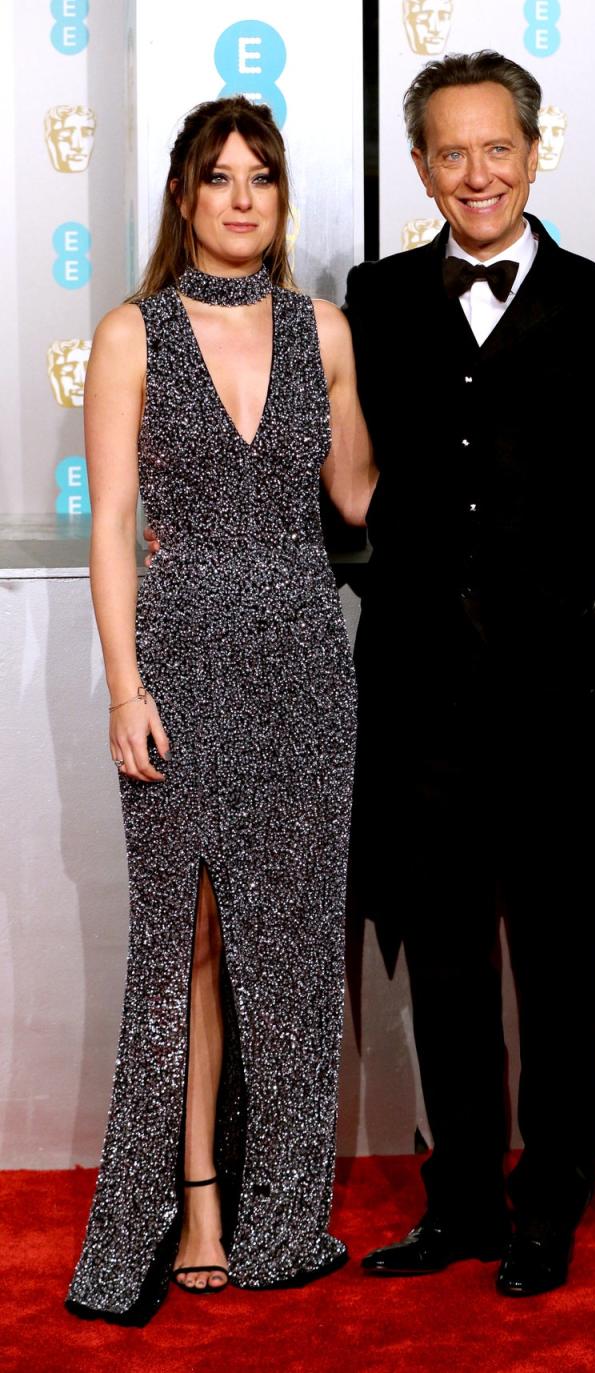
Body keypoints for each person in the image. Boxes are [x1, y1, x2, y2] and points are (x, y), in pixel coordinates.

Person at [345, 50, 595, 1297]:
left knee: (558, 966)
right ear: (420, 164)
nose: (475, 172)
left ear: (534, 152)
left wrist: (594, 637)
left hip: (555, 700)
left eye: (496, 148)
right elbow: (343, 456)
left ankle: (553, 1194)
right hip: (416, 693)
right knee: (449, 961)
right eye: (449, 151)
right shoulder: (371, 296)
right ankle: (463, 1196)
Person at [66, 96, 374, 1325]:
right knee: (183, 943)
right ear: (184, 198)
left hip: (307, 664)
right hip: (181, 667)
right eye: (217, 178)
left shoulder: (327, 330)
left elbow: (354, 498)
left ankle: (284, 1210)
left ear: (280, 197)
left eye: (261, 177)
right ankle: (193, 1194)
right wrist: (125, 687)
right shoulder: (132, 333)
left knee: (295, 949)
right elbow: (111, 526)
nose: (241, 197)